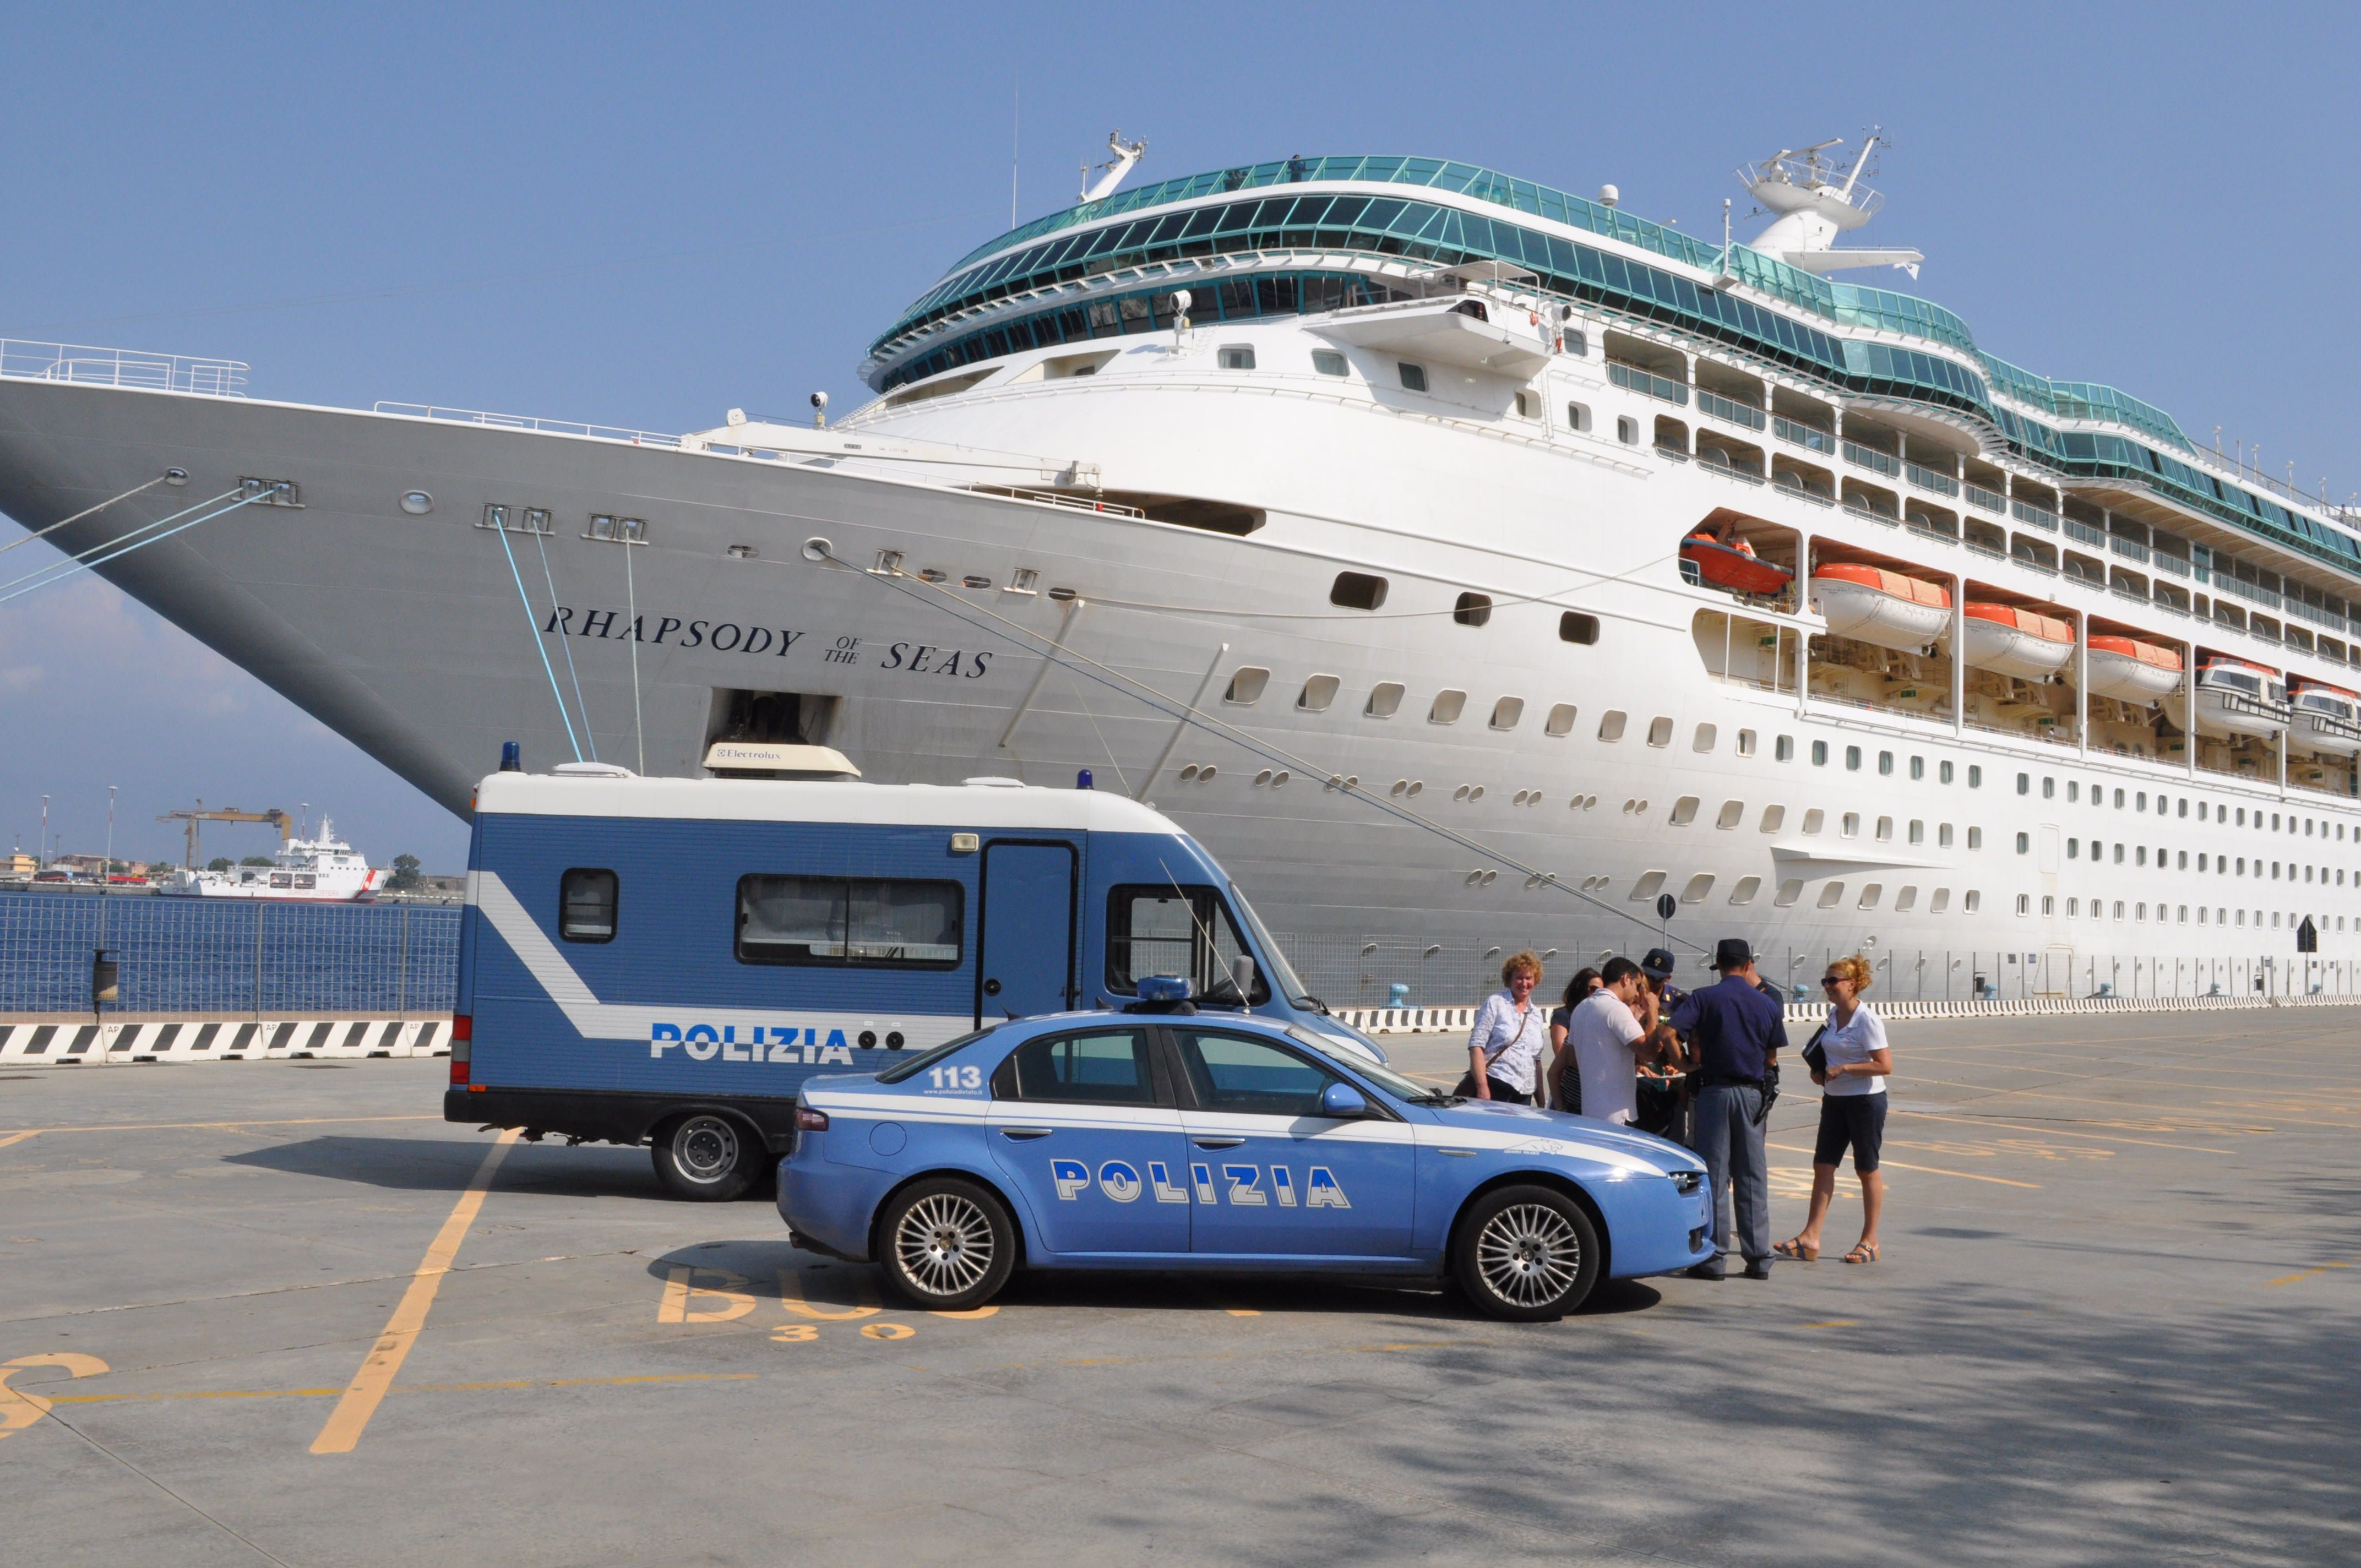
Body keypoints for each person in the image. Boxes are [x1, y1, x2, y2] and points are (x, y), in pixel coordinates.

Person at [1667, 938, 1788, 1281]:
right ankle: (1759, 1258)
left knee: (1715, 1178)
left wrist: (1685, 1065)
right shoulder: (1766, 1003)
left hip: (1714, 1093)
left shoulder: (1704, 998)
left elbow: (1667, 1033)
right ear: (1748, 964)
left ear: (1718, 965)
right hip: (1752, 1095)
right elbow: (1771, 1060)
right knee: (1752, 1177)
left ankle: (1715, 1258)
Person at [1777, 954, 1892, 1266]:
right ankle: (1810, 1237)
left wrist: (1845, 1069)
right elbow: (1827, 1052)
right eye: (1825, 981)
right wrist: (1819, 1072)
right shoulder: (1833, 1015)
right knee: (1823, 1165)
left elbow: (1885, 1065)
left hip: (1865, 1101)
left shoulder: (1866, 1020)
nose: (1827, 986)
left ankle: (1870, 1240)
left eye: (1833, 981)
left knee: (1866, 1169)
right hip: (1835, 1099)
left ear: (1852, 985)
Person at [1554, 958, 1655, 1123]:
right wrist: (1653, 1011)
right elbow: (1649, 1053)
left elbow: (1571, 1057)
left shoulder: (1581, 1008)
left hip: (1590, 1111)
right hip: (1617, 1115)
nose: (1637, 993)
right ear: (1626, 979)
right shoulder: (1617, 1009)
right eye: (1637, 985)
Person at [1463, 951, 1548, 1105]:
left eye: (1529, 978)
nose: (1524, 983)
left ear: (1535, 980)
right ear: (1509, 980)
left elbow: (1536, 1061)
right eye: (1519, 978)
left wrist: (1541, 1102)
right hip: (1496, 1087)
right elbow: (1476, 1046)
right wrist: (1482, 1087)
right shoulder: (1496, 1003)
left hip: (1525, 1093)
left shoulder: (1536, 1014)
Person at [1546, 967, 1603, 1112]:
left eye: (1601, 991)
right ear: (1580, 988)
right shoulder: (1564, 1015)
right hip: (1565, 1092)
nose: (1596, 995)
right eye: (1593, 989)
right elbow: (1561, 1052)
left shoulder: (1596, 1017)